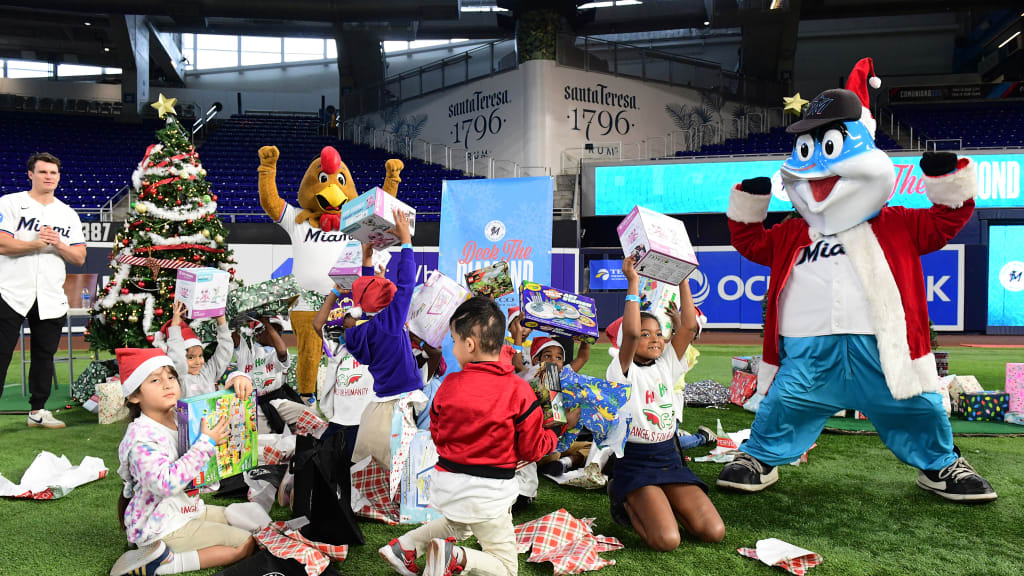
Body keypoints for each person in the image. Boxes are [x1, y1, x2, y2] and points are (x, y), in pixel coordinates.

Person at [379, 297, 578, 576]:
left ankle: (405, 546)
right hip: (490, 493)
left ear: (469, 345)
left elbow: (437, 433)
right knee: (506, 568)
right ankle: (455, 557)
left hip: (446, 486)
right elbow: (533, 450)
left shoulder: (448, 385)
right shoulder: (518, 391)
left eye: (453, 340)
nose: (453, 346)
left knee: (460, 522)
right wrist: (556, 431)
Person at [605, 255, 725, 551]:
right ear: (628, 341)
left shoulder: (667, 363)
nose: (655, 339)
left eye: (659, 334)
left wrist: (682, 277)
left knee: (714, 531)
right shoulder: (622, 369)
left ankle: (662, 500)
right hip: (633, 462)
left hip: (668, 458)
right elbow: (631, 332)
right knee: (667, 541)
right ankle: (622, 497)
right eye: (646, 335)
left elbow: (688, 326)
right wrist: (633, 281)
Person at [112, 347, 256, 575]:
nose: (168, 384)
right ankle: (160, 564)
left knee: (252, 520)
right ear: (134, 395)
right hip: (162, 526)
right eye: (155, 380)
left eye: (171, 377)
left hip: (186, 510)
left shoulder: (183, 416)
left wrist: (237, 378)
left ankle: (160, 553)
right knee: (245, 543)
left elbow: (216, 400)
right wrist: (206, 444)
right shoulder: (141, 437)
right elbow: (164, 484)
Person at [0, 152, 85, 428]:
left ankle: (38, 411)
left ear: (58, 177)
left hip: (49, 295)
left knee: (44, 354)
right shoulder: (11, 203)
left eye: (53, 173)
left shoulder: (67, 213)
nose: (49, 177)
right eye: (43, 172)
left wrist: (58, 244)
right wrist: (37, 244)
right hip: (10, 291)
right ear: (31, 174)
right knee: (2, 352)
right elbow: (2, 244)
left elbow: (79, 257)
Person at [344, 211, 424, 468]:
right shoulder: (389, 324)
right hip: (404, 404)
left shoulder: (360, 327)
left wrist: (366, 259)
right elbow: (407, 286)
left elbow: (363, 296)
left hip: (379, 403)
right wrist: (406, 242)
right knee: (407, 463)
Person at [165, 301, 252, 400]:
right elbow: (178, 359)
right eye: (190, 357)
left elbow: (225, 352)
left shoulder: (207, 373)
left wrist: (221, 321)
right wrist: (175, 325)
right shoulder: (178, 378)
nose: (198, 362)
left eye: (200, 356)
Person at [234, 316, 304, 434]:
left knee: (313, 420)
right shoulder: (246, 349)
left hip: (279, 399)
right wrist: (240, 319)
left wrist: (266, 323)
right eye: (271, 330)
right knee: (260, 440)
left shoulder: (277, 350)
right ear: (258, 334)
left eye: (278, 331)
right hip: (253, 404)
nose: (277, 334)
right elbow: (233, 335)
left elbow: (282, 353)